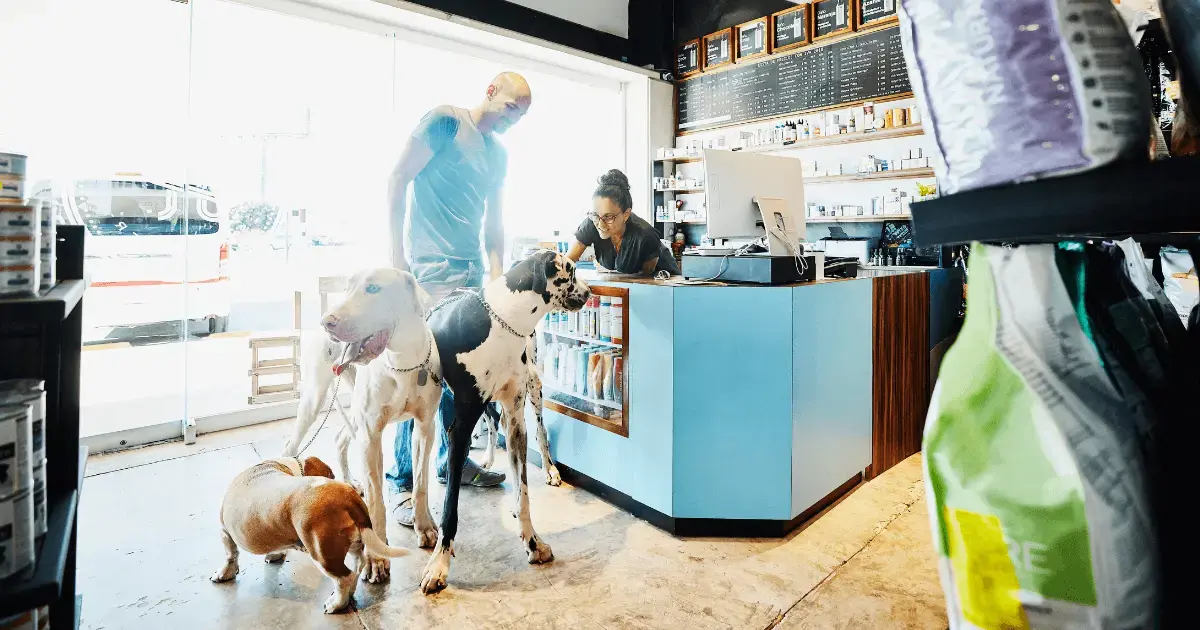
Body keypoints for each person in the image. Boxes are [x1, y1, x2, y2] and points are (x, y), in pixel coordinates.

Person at [385, 72, 532, 527]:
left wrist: (495, 271)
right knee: (420, 380)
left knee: (462, 380)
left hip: (470, 279)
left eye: (522, 115)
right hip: (427, 274)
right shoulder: (445, 123)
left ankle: (453, 463)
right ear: (490, 91)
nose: (514, 119)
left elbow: (495, 220)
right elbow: (397, 179)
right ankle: (406, 485)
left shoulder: (498, 154)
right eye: (512, 107)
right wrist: (397, 260)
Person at [566, 169, 680, 276]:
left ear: (626, 214)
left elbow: (646, 280)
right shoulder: (592, 223)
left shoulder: (645, 235)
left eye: (609, 216)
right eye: (595, 214)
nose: (600, 224)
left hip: (664, 281)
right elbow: (566, 263)